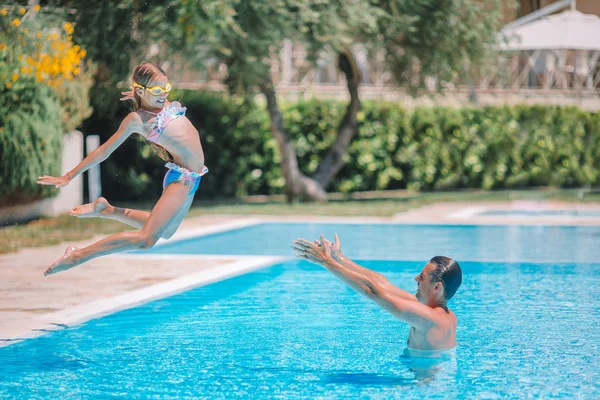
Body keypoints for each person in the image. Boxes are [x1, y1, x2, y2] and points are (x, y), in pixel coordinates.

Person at [37, 62, 208, 276]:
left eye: (166, 88)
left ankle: (106, 210)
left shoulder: (167, 106)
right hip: (180, 179)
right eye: (157, 90)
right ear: (142, 91)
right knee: (146, 239)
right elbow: (104, 151)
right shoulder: (137, 119)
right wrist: (69, 175)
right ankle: (77, 255)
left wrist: (146, 93)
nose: (163, 94)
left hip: (194, 178)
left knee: (167, 232)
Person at [291, 234, 462, 351]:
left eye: (423, 277)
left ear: (437, 287)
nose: (416, 278)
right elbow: (381, 283)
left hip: (423, 390)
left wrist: (325, 261)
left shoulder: (429, 318)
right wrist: (339, 258)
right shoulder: (444, 315)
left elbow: (373, 291)